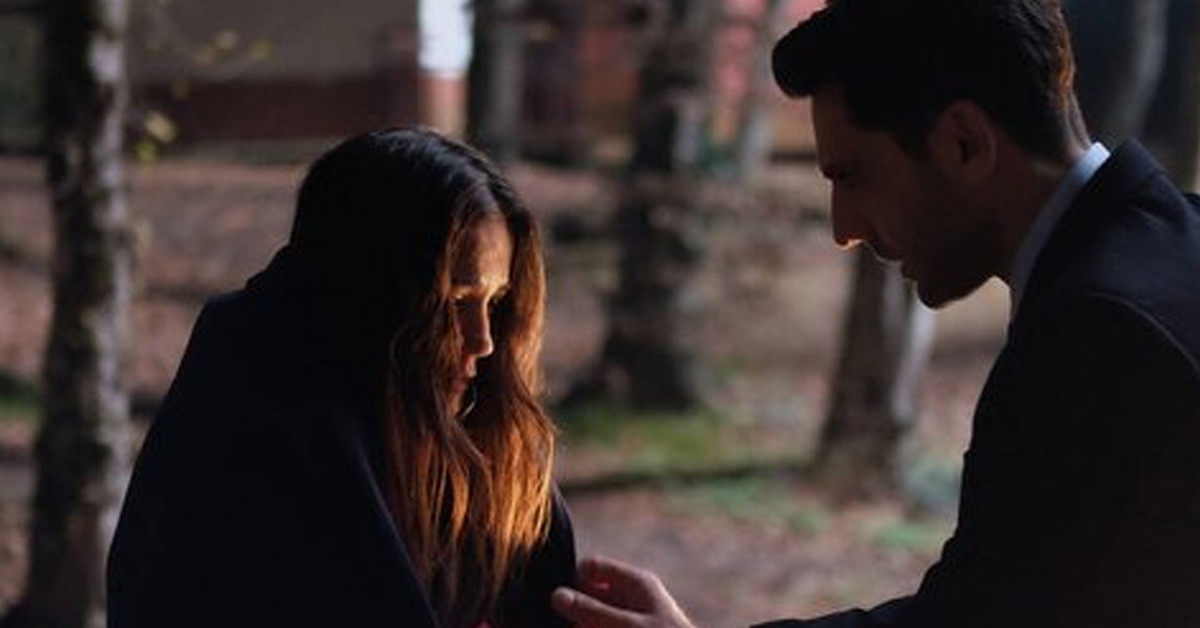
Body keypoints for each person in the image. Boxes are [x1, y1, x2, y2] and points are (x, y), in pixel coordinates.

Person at [550, 0, 1200, 626]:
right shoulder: (1167, 256)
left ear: (964, 144)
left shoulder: (1101, 335)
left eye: (853, 177)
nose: (844, 229)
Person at [107, 127, 576, 628]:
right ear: (378, 300)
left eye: (496, 302)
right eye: (454, 302)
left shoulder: (479, 453)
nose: (483, 340)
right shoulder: (256, 446)